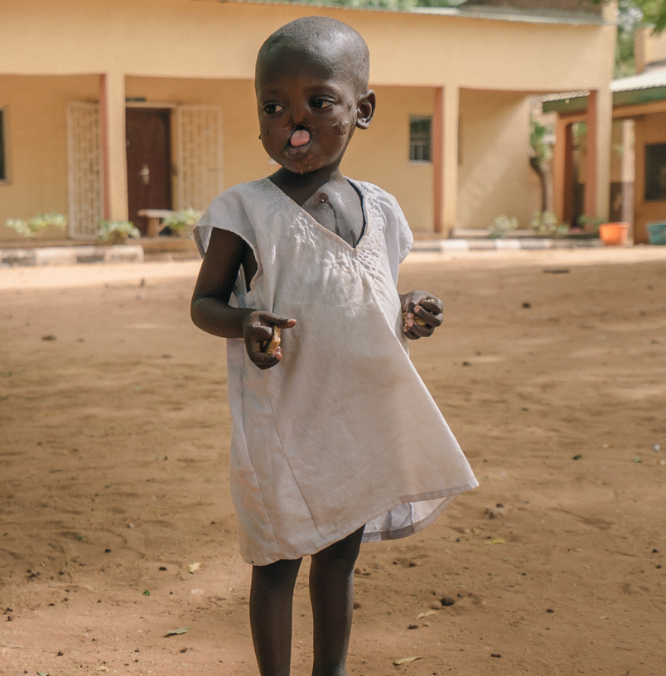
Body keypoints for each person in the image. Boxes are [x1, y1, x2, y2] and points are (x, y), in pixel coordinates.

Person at [188, 16, 478, 676]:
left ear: (362, 109)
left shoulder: (381, 209)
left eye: (318, 102)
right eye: (274, 106)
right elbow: (205, 304)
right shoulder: (244, 211)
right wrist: (246, 323)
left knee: (340, 555)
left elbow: (369, 292)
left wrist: (408, 310)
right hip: (283, 424)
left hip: (351, 418)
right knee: (277, 557)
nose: (295, 122)